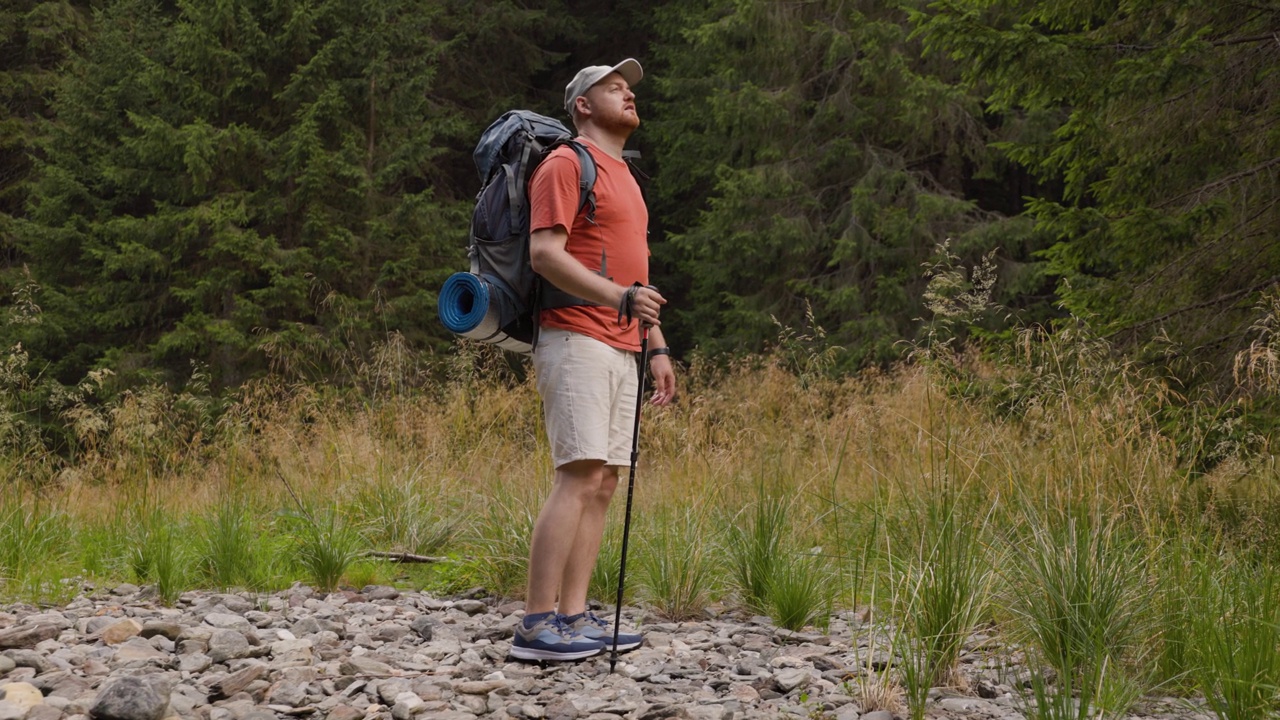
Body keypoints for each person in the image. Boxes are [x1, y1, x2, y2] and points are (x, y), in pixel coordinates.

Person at [509, 58, 678, 662]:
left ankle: (574, 617)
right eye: (614, 88)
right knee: (578, 474)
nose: (627, 94)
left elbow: (636, 272)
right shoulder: (565, 163)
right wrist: (621, 299)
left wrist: (655, 343)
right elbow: (544, 254)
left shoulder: (626, 177)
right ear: (583, 104)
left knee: (605, 480)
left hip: (622, 343)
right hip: (575, 335)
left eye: (630, 88)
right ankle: (535, 625)